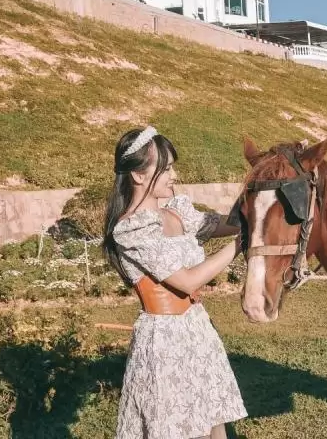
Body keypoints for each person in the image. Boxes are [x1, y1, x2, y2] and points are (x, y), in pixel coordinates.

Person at [103, 126, 247, 439]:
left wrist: (260, 194)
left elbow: (226, 224)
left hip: (196, 328)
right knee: (177, 428)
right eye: (166, 168)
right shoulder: (131, 229)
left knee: (213, 420)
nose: (174, 175)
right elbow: (186, 281)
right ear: (139, 176)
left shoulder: (176, 211)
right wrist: (240, 245)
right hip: (165, 340)